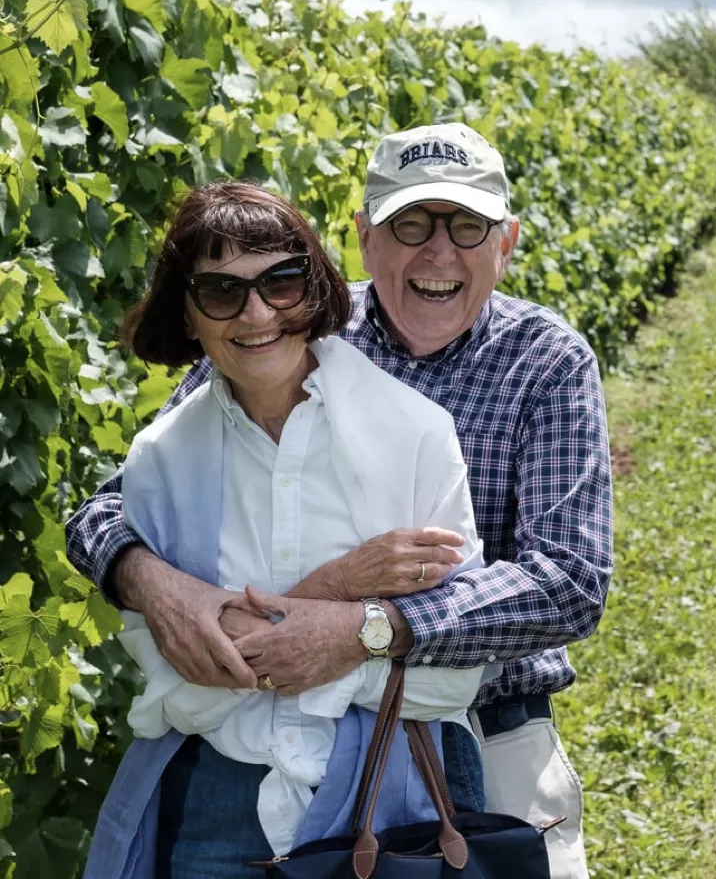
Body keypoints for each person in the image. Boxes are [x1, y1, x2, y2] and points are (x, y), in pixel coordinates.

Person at [67, 122, 614, 879]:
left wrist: (366, 625)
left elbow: (570, 584)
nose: (438, 252)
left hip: (485, 731)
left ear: (507, 241)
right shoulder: (288, 321)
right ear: (363, 238)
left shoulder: (545, 360)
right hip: (271, 732)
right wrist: (153, 582)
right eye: (410, 224)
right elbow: (110, 508)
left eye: (467, 226)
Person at [82, 181, 487, 879]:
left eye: (282, 282)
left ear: (316, 289)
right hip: (218, 812)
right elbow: (175, 688)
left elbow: (452, 680)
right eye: (221, 293)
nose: (257, 312)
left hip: (389, 806)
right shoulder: (160, 462)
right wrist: (341, 594)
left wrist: (255, 644)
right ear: (187, 313)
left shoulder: (416, 434)